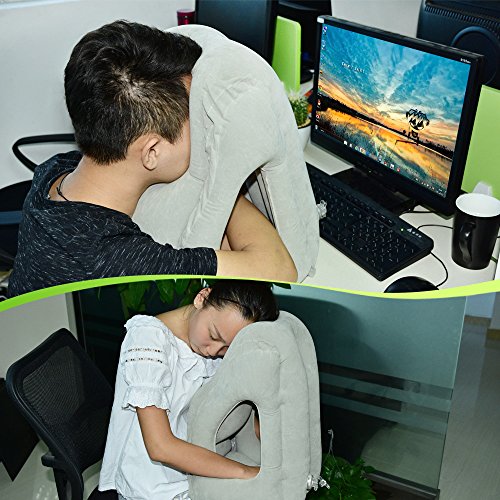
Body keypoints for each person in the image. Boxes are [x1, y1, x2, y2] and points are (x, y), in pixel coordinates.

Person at [8, 21, 297, 297]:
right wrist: (225, 176)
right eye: (194, 119)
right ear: (152, 152)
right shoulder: (122, 260)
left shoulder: (54, 171)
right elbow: (279, 267)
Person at [98, 279, 279, 500]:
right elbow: (160, 447)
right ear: (202, 297)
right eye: (213, 335)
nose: (214, 351)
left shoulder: (209, 345)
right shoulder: (148, 341)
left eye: (227, 348)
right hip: (150, 485)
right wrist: (247, 473)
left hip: (194, 467)